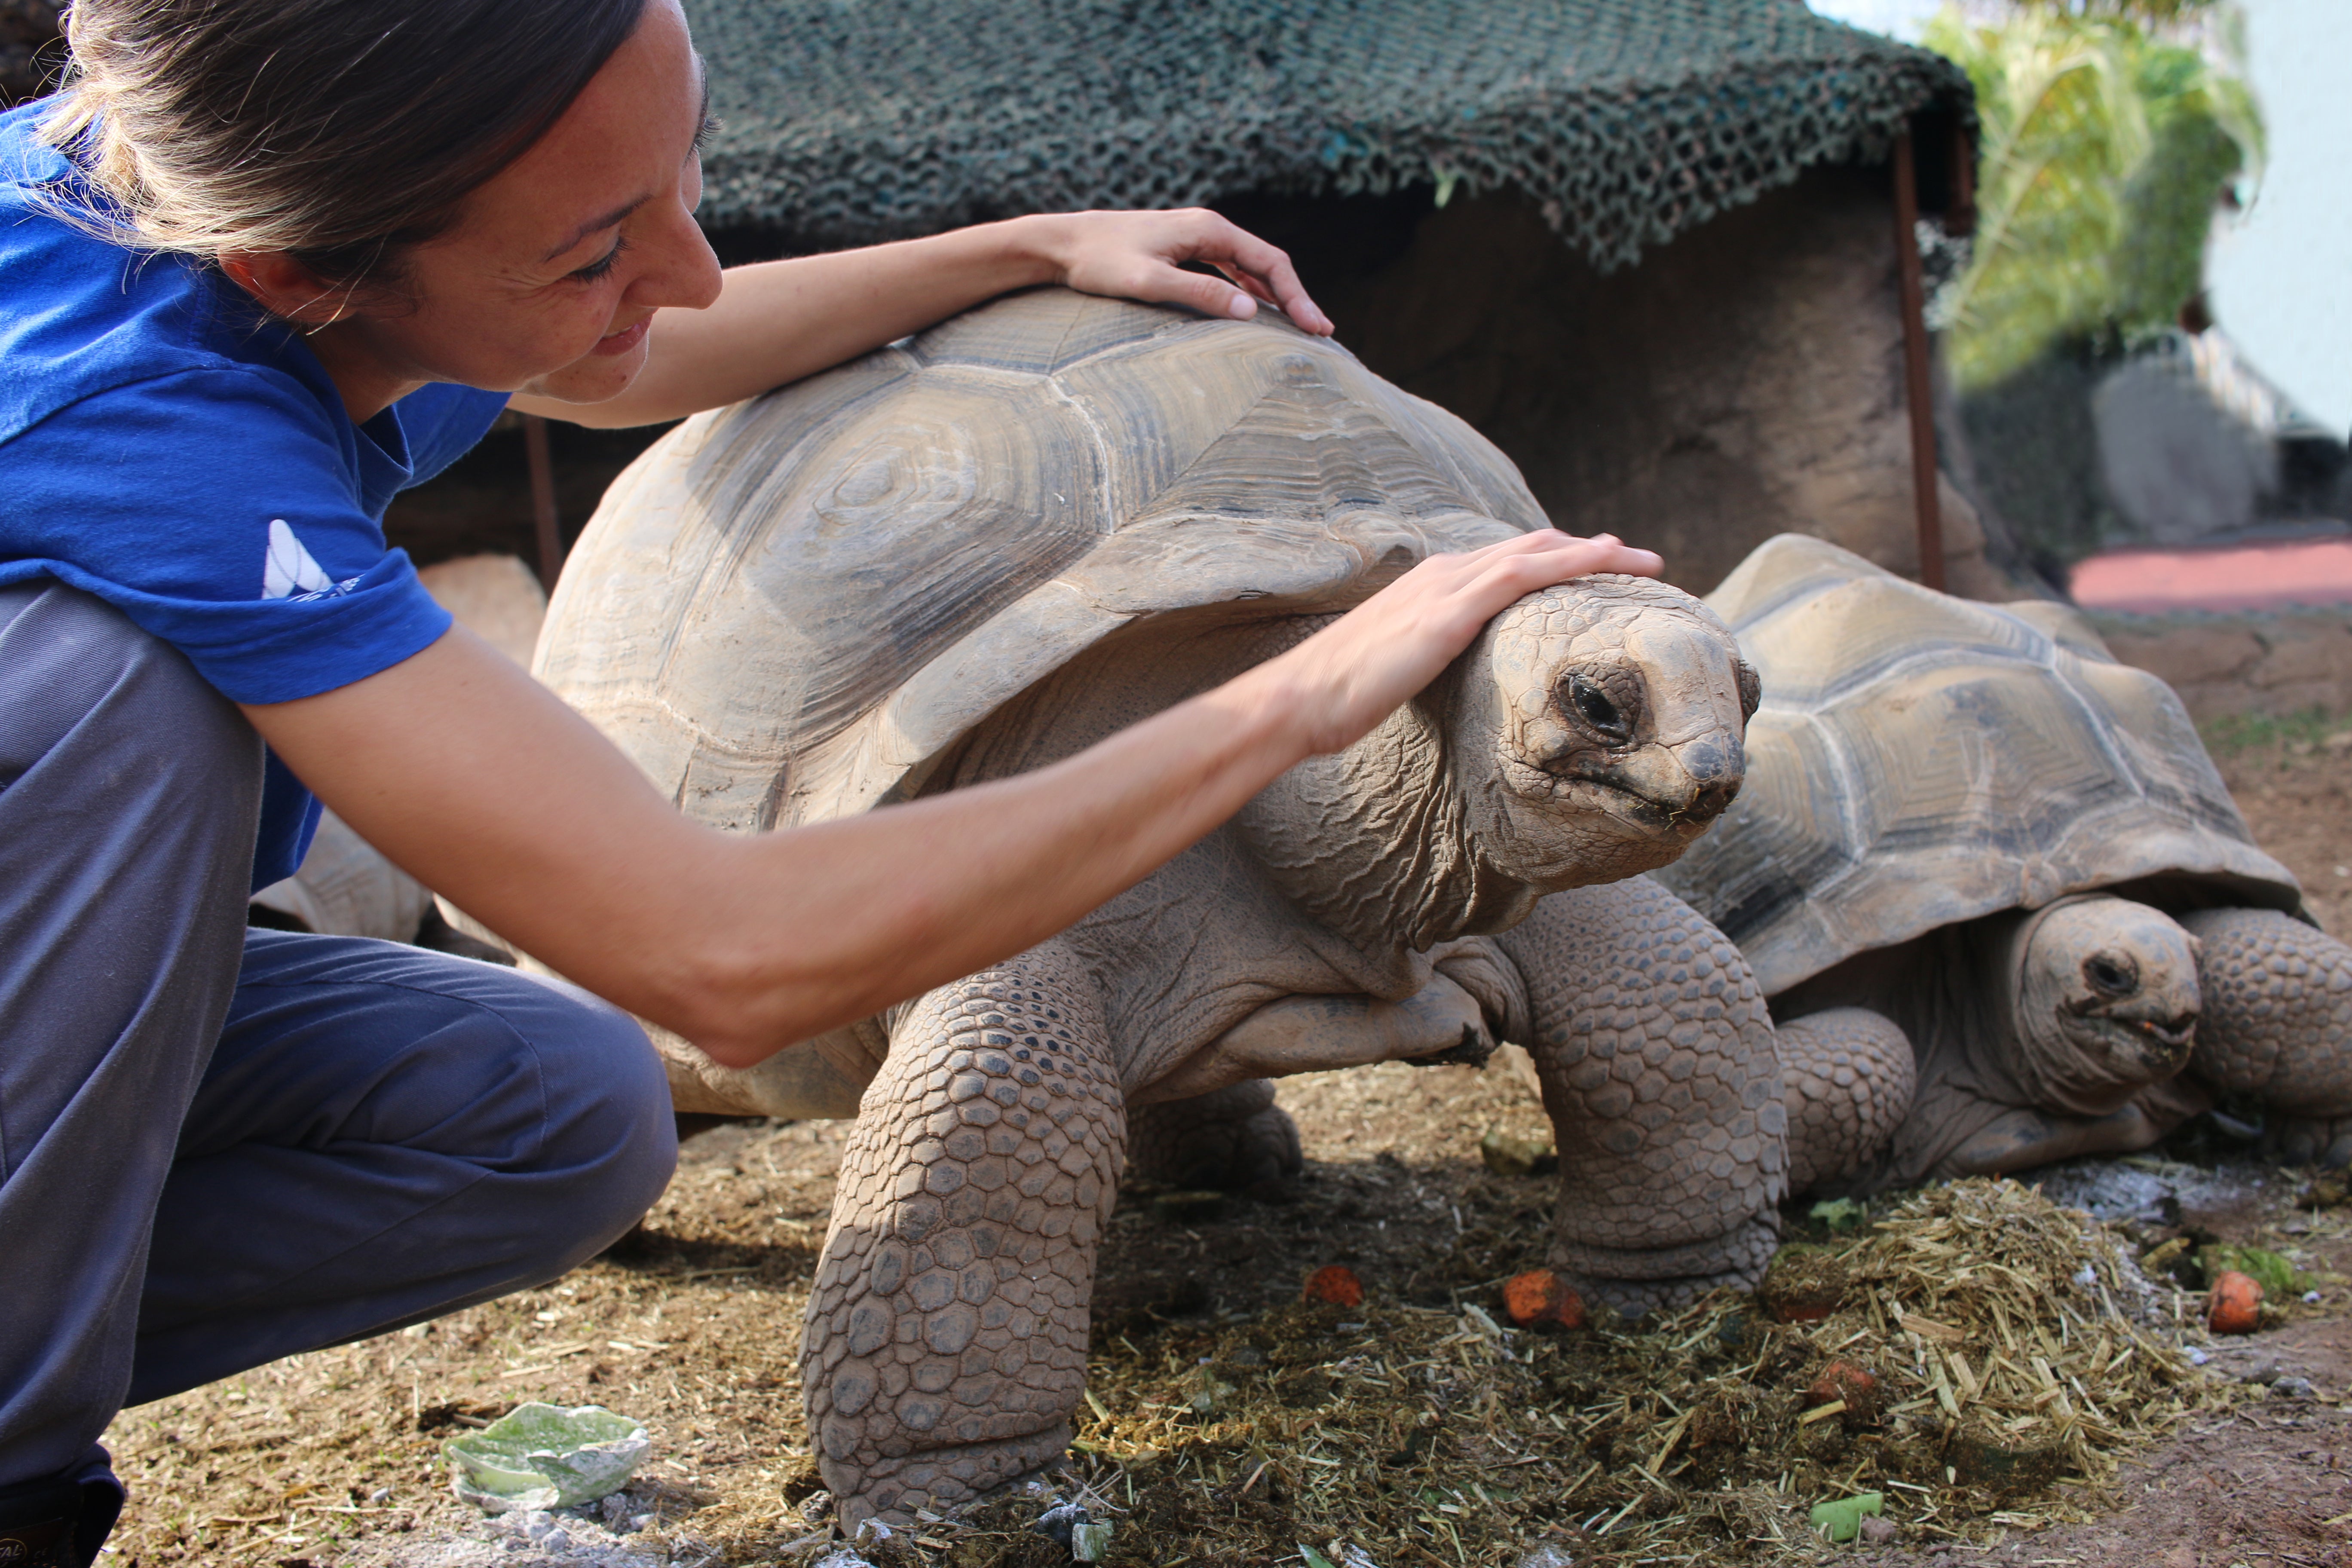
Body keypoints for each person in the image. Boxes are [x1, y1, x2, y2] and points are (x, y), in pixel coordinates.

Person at [0, 1, 1660, 1561]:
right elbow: (717, 959)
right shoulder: (141, 412)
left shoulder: (190, 155)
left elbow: (611, 358)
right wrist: (1301, 696)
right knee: (118, 697)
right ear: (300, 275)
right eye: (599, 245)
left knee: (568, 1121)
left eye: (685, 168)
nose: (697, 270)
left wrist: (1034, 245)